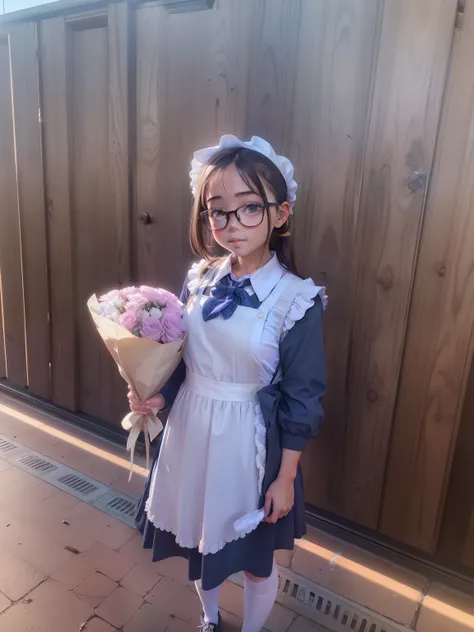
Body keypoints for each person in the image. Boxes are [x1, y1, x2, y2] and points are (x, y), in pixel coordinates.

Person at [130, 135, 327, 632]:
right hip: (192, 432)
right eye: (217, 212)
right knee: (202, 540)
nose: (230, 224)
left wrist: (284, 479)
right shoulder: (199, 279)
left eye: (248, 209)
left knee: (257, 559)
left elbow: (303, 397)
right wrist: (155, 394)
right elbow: (180, 361)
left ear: (280, 215)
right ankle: (210, 618)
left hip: (251, 446)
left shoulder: (296, 300)